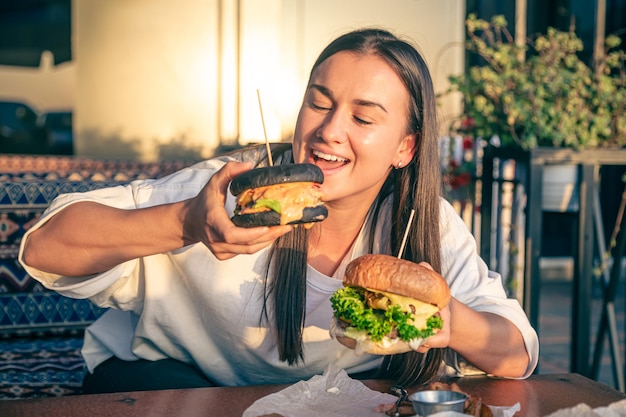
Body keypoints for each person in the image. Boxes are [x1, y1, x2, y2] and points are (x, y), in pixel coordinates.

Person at [19, 28, 538, 393]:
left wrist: (447, 321)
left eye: (363, 117)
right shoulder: (228, 190)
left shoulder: (422, 223)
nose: (330, 130)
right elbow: (43, 247)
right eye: (320, 102)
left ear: (405, 148)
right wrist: (186, 223)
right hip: (160, 381)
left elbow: (516, 354)